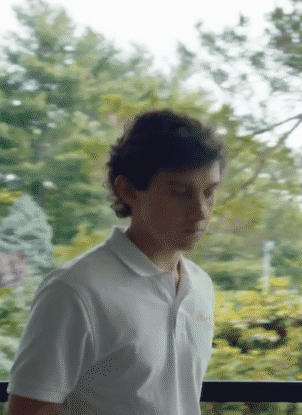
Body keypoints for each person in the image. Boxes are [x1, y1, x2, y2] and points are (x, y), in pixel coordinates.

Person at [6, 108, 225, 414]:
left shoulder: (200, 285)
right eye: (180, 192)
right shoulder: (74, 290)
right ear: (128, 191)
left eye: (209, 192)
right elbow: (29, 409)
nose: (201, 211)